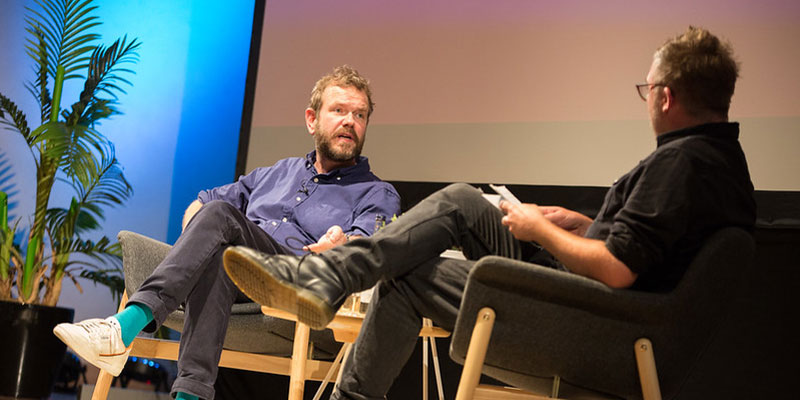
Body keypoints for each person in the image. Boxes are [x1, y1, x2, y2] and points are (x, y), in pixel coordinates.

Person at [223, 27, 756, 400]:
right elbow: (643, 251)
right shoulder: (717, 162)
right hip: (594, 306)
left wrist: (540, 230)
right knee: (462, 202)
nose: (646, 100)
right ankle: (327, 280)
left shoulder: (681, 164)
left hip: (593, 325)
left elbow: (618, 269)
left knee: (413, 268)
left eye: (647, 89)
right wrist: (583, 225)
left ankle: (327, 288)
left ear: (665, 96)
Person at [54, 65, 401, 400]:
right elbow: (200, 203)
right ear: (312, 120)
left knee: (219, 217)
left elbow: (367, 253)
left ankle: (125, 327)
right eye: (339, 110)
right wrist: (196, 247)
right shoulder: (277, 172)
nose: (349, 122)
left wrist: (341, 248)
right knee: (219, 250)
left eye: (359, 115)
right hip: (240, 278)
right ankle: (189, 396)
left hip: (299, 284)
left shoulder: (377, 192)